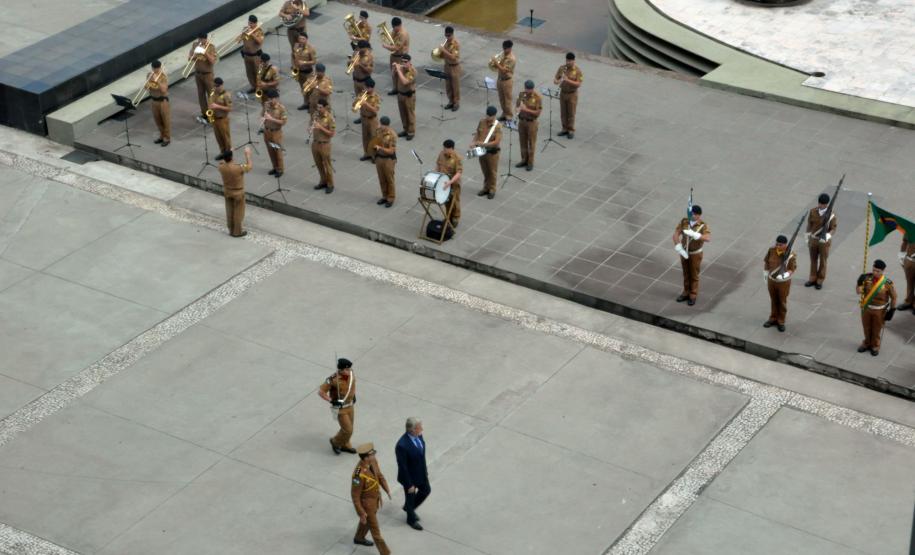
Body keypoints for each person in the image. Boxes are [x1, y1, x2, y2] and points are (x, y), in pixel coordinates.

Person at [351, 443, 392, 554]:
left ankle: (359, 538)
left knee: (366, 522)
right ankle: (385, 553)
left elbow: (379, 476)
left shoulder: (373, 462)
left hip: (375, 501)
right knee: (376, 531)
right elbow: (355, 496)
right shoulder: (358, 474)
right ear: (366, 457)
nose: (374, 455)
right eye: (372, 454)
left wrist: (387, 489)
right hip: (366, 505)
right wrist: (361, 512)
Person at [856, 260, 897, 356]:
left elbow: (894, 297)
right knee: (866, 327)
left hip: (880, 310)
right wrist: (859, 283)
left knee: (877, 329)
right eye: (874, 270)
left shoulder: (887, 283)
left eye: (877, 271)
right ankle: (866, 343)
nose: (875, 273)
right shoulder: (867, 278)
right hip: (867, 308)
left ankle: (875, 345)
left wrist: (892, 310)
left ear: (883, 271)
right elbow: (859, 292)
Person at [396, 417, 429, 531]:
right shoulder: (402, 445)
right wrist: (409, 484)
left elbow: (421, 454)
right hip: (409, 478)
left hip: (421, 473)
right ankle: (411, 519)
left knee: (426, 490)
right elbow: (403, 467)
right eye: (420, 427)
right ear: (412, 430)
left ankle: (409, 508)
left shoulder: (418, 436)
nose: (422, 429)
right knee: (410, 498)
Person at [673, 205, 710, 306]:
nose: (692, 215)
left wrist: (697, 235)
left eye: (694, 214)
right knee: (686, 273)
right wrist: (678, 246)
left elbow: (707, 238)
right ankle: (685, 292)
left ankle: (693, 295)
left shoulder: (702, 225)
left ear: (698, 215)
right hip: (684, 251)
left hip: (695, 253)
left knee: (694, 274)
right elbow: (676, 233)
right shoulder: (685, 221)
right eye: (691, 213)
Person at [319, 358, 357, 454]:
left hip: (350, 406)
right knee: (348, 430)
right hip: (340, 408)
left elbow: (351, 386)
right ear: (341, 369)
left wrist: (353, 395)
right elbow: (321, 392)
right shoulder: (333, 379)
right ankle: (335, 442)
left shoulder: (351, 374)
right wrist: (331, 400)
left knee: (349, 428)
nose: (349, 371)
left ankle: (345, 444)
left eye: (349, 369)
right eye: (347, 369)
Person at [763, 235, 796, 332]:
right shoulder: (771, 250)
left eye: (780, 245)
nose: (777, 246)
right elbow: (766, 262)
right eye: (776, 244)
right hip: (772, 280)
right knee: (773, 299)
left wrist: (784, 275)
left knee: (782, 301)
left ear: (785, 245)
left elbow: (792, 269)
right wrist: (765, 273)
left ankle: (781, 321)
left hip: (783, 282)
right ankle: (773, 318)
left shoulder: (791, 255)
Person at [217, 147, 251, 238]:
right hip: (238, 193)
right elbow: (249, 167)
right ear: (232, 157)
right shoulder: (238, 167)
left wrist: (229, 153)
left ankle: (230, 229)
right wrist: (247, 155)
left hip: (227, 191)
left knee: (229, 211)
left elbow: (223, 161)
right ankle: (237, 232)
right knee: (238, 213)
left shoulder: (221, 167)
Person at [805, 193, 837, 289]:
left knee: (823, 261)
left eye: (823, 204)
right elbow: (809, 224)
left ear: (827, 204)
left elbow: (833, 228)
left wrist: (827, 236)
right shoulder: (813, 211)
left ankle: (820, 280)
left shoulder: (831, 215)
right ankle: (812, 278)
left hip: (824, 242)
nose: (821, 206)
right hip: (814, 239)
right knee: (813, 259)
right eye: (820, 203)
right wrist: (807, 236)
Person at [472, 106, 502, 199]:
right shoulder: (482, 122)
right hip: (481, 151)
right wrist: (474, 142)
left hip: (491, 152)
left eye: (490, 116)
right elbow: (477, 133)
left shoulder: (497, 126)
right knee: (485, 170)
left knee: (492, 171)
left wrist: (483, 144)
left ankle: (492, 189)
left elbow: (496, 141)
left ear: (494, 116)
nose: (488, 117)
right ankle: (486, 187)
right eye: (487, 115)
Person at [553, 52, 583, 139]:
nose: (568, 62)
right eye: (567, 60)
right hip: (563, 93)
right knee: (563, 112)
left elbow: (578, 84)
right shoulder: (562, 68)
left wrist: (567, 80)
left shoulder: (577, 71)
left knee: (571, 113)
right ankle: (564, 128)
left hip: (572, 94)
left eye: (570, 61)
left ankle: (571, 130)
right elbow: (555, 80)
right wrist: (558, 81)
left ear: (574, 61)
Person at [311, 98, 337, 194]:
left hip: (325, 144)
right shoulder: (315, 115)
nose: (318, 109)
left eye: (320, 107)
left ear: (325, 107)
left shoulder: (330, 118)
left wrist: (320, 127)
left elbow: (332, 134)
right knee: (319, 164)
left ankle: (330, 184)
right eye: (318, 107)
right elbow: (311, 123)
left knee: (327, 165)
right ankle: (323, 181)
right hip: (315, 143)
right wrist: (310, 127)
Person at [188, 33, 217, 120]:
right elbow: (189, 58)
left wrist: (205, 53)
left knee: (211, 95)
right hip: (198, 74)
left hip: (208, 74)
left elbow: (212, 61)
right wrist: (195, 54)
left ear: (205, 39)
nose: (200, 42)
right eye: (199, 40)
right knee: (201, 95)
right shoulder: (195, 45)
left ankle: (213, 114)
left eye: (201, 40)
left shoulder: (211, 47)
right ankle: (205, 114)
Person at [436, 140, 463, 230]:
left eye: (446, 148)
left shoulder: (457, 158)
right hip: (443, 182)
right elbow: (438, 165)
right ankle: (448, 216)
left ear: (451, 149)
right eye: (443, 148)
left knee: (454, 201)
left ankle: (455, 217)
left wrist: (450, 182)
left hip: (453, 183)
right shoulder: (441, 154)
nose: (444, 150)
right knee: (446, 201)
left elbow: (459, 173)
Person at [515, 80, 542, 171]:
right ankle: (524, 159)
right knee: (522, 142)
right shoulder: (522, 94)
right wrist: (518, 109)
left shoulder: (537, 98)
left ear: (532, 89)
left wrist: (526, 110)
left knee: (531, 143)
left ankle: (530, 162)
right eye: (526, 89)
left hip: (531, 123)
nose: (527, 91)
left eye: (529, 89)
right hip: (522, 121)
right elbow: (518, 105)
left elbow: (537, 113)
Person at [262, 89, 287, 177]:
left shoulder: (281, 108)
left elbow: (283, 122)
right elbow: (263, 114)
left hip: (276, 133)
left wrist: (271, 119)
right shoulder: (266, 105)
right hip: (267, 131)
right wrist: (263, 118)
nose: (269, 101)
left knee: (277, 151)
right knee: (270, 151)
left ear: (276, 98)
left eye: (271, 99)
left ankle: (280, 169)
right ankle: (275, 167)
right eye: (268, 99)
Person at [373, 116, 397, 207]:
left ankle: (391, 198)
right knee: (381, 179)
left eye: (382, 125)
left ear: (387, 126)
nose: (380, 126)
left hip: (388, 159)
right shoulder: (378, 131)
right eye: (380, 124)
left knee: (389, 179)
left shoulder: (392, 135)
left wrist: (380, 148)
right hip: (379, 158)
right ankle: (384, 196)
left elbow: (391, 151)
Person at [382, 17, 410, 95]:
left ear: (399, 25)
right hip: (394, 56)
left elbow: (396, 48)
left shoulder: (403, 34)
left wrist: (385, 46)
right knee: (393, 73)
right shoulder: (395, 31)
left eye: (395, 27)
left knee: (400, 74)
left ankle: (401, 89)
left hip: (400, 57)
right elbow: (390, 39)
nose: (394, 29)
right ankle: (395, 88)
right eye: (393, 27)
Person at [146, 60, 170, 147]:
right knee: (157, 121)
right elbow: (146, 87)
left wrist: (157, 80)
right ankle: (162, 135)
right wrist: (149, 82)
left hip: (162, 101)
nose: (155, 70)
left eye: (156, 69)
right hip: (153, 100)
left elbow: (164, 90)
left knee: (165, 121)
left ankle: (167, 138)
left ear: (159, 68)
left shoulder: (163, 76)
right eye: (153, 68)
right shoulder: (149, 75)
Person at [208, 77, 232, 159]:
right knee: (218, 137)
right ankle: (222, 152)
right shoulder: (213, 92)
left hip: (223, 119)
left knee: (225, 137)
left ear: (222, 85)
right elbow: (210, 102)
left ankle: (228, 153)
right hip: (215, 118)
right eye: (214, 86)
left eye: (217, 86)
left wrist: (217, 106)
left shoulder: (226, 95)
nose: (215, 88)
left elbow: (229, 108)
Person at [240, 15, 265, 93]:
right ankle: (253, 86)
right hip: (246, 55)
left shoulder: (259, 31)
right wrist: (240, 37)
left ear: (255, 23)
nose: (249, 25)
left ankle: (260, 87)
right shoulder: (245, 29)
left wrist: (252, 34)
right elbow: (241, 38)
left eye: (251, 23)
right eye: (249, 22)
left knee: (258, 72)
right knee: (249, 72)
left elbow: (260, 41)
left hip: (255, 56)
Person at [292, 33, 317, 111]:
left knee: (310, 89)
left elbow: (314, 61)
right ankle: (306, 103)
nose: (301, 41)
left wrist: (304, 62)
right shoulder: (296, 46)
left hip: (308, 73)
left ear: (306, 39)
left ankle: (312, 105)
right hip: (299, 72)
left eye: (303, 39)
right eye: (300, 39)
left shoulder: (311, 49)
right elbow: (294, 56)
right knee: (303, 88)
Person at [358, 78, 381, 162]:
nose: (365, 89)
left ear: (371, 88)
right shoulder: (363, 94)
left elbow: (375, 110)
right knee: (365, 137)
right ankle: (367, 153)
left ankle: (374, 156)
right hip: (364, 118)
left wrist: (366, 104)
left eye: (366, 87)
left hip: (372, 120)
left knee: (373, 138)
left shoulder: (376, 97)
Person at [393, 55, 416, 140]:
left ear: (410, 62)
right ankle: (405, 129)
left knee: (410, 114)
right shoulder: (401, 69)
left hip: (409, 96)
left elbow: (405, 82)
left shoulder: (412, 71)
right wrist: (394, 69)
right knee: (402, 113)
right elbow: (394, 77)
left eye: (406, 62)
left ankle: (411, 131)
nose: (403, 63)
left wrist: (398, 70)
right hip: (400, 94)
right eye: (402, 61)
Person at [493, 40, 516, 121]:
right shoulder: (503, 54)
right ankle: (504, 113)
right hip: (500, 79)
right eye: (503, 48)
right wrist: (495, 64)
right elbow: (499, 66)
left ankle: (509, 116)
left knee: (507, 99)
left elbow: (504, 70)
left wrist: (496, 63)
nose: (504, 50)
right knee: (501, 98)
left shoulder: (512, 59)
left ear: (510, 48)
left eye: (506, 48)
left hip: (507, 81)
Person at [440, 26, 461, 111]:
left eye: (449, 36)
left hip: (454, 67)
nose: (447, 37)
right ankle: (450, 101)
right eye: (446, 35)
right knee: (448, 85)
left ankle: (456, 103)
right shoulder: (445, 43)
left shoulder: (455, 44)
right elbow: (442, 55)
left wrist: (444, 50)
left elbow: (453, 57)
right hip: (447, 66)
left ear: (452, 34)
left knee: (455, 86)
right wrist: (440, 52)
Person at [896, 236, 915, 314]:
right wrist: (901, 256)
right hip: (909, 260)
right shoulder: (910, 230)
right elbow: (904, 243)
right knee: (909, 282)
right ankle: (908, 301)